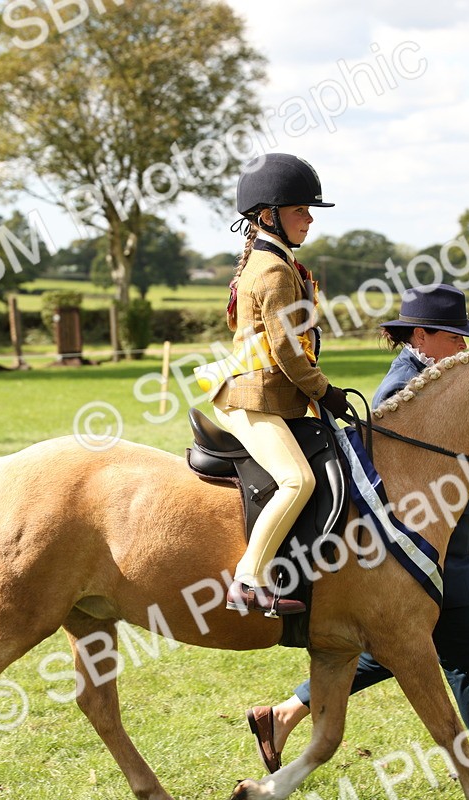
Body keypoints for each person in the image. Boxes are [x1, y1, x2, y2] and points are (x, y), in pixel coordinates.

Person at [244, 284, 469, 798]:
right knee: (459, 648)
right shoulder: (402, 386)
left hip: (439, 543)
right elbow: (395, 471)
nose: (462, 347)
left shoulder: (439, 377)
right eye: (453, 336)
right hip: (410, 548)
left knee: (406, 644)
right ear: (420, 335)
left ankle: (285, 712)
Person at [205, 153, 349, 616]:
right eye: (300, 211)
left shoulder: (280, 262)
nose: (308, 220)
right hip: (253, 400)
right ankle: (247, 581)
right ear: (268, 216)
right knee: (296, 480)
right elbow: (286, 352)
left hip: (271, 397)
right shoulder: (272, 271)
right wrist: (325, 391)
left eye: (309, 211)